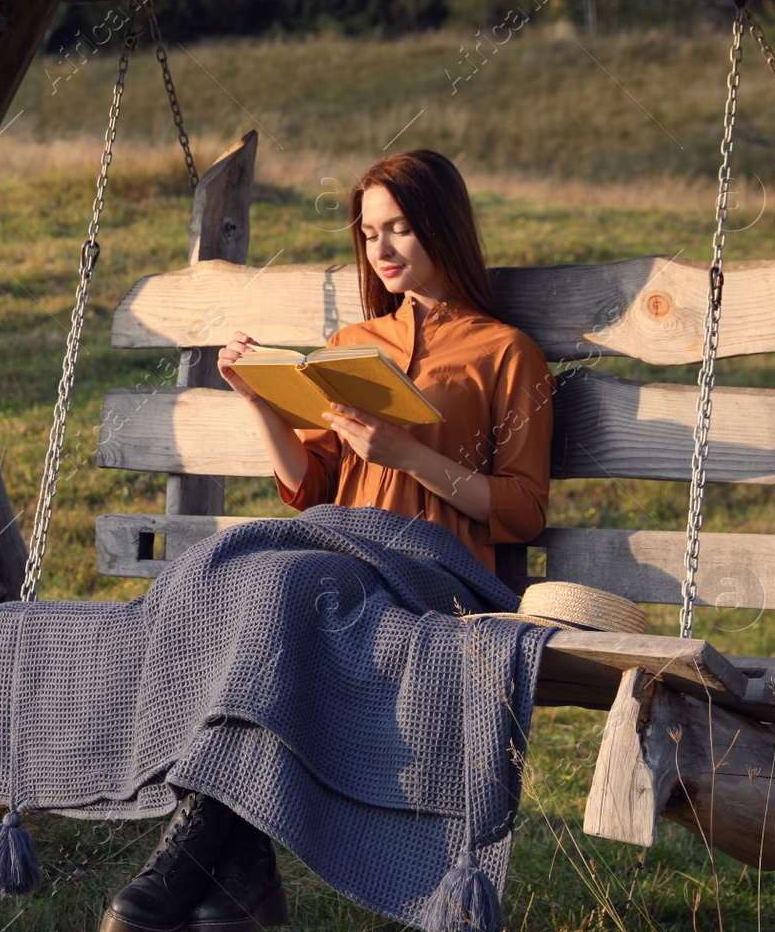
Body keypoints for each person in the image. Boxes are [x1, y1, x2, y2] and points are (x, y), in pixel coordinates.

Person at [97, 149, 556, 932]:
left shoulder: (506, 353)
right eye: (371, 231)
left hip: (432, 574)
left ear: (443, 225)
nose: (381, 248)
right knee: (235, 575)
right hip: (334, 557)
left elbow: (522, 510)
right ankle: (235, 870)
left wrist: (408, 455)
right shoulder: (354, 340)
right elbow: (308, 485)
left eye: (401, 228)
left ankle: (198, 860)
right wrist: (259, 402)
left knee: (283, 585)